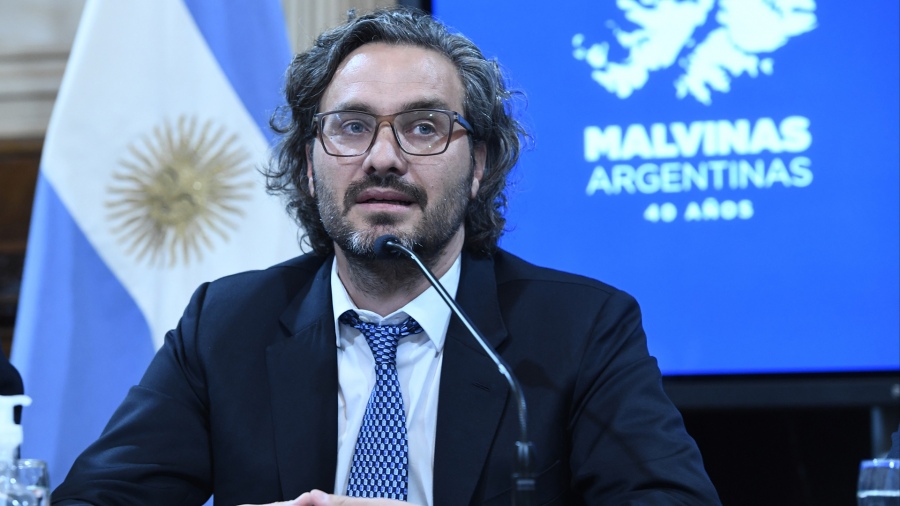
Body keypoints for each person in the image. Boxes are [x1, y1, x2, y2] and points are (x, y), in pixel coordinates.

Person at [52, 7, 721, 505]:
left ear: (479, 165)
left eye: (423, 127)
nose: (382, 157)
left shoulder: (578, 330)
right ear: (309, 166)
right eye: (351, 127)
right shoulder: (225, 325)